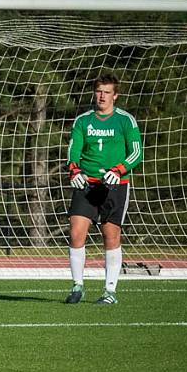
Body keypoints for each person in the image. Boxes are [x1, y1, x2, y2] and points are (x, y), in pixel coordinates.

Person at [65, 73, 143, 304]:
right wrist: (74, 169)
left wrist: (119, 169)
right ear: (94, 93)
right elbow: (74, 150)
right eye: (99, 91)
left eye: (107, 92)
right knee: (76, 232)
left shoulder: (125, 121)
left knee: (111, 236)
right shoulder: (82, 121)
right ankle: (77, 286)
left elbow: (136, 153)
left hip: (115, 185)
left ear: (115, 95)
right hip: (86, 184)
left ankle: (110, 291)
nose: (102, 96)